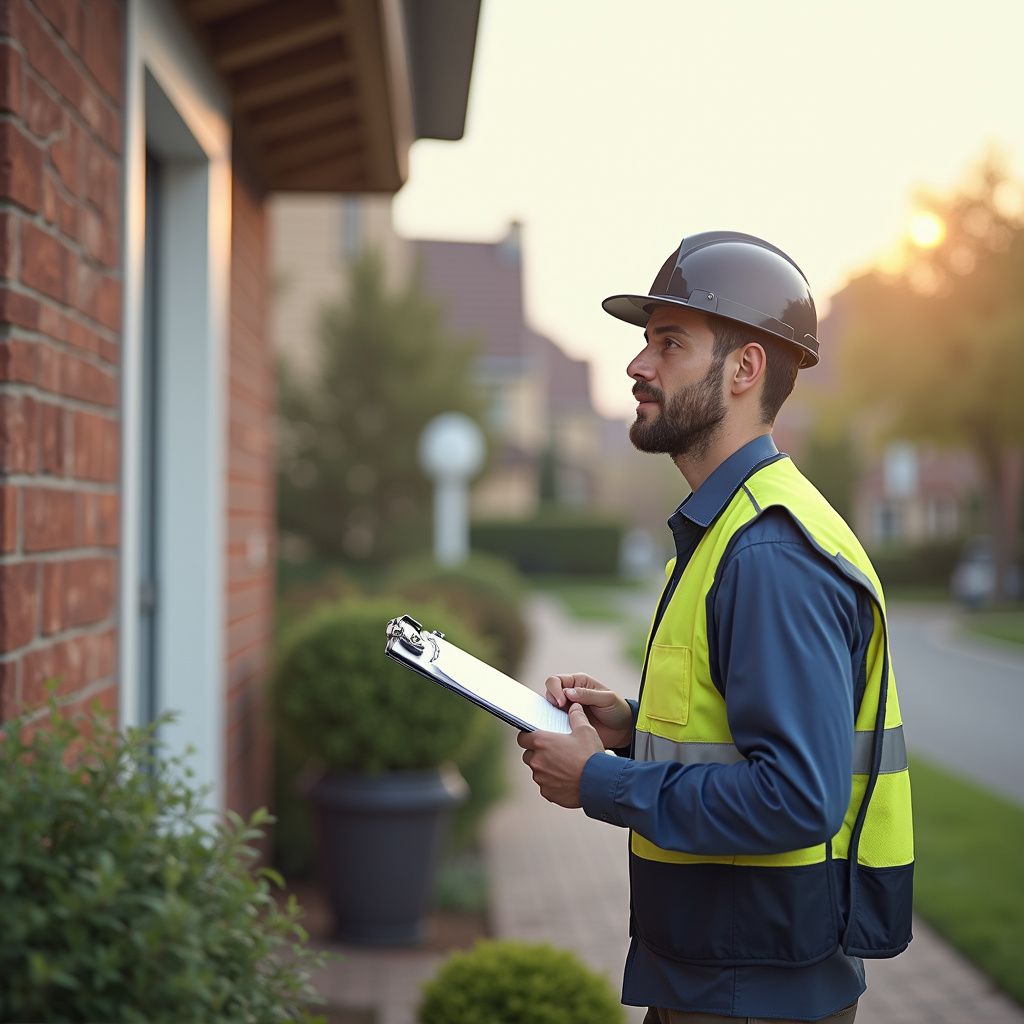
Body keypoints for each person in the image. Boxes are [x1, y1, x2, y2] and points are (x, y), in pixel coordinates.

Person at [517, 231, 913, 1024]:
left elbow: (798, 797)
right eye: (646, 342)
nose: (638, 365)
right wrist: (629, 732)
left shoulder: (769, 552)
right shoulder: (730, 529)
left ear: (744, 369)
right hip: (728, 974)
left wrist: (599, 780)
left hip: (752, 990)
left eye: (670, 343)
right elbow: (739, 738)